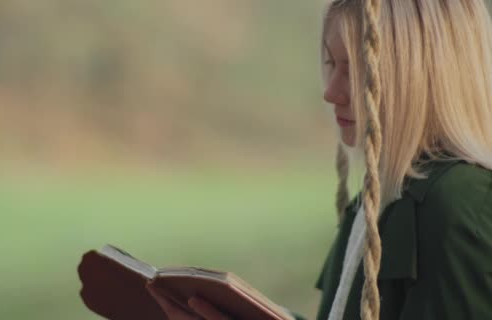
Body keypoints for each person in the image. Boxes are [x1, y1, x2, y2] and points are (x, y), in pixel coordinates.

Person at [146, 0, 492, 319]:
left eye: (355, 68)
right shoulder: (375, 202)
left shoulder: (459, 203)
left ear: (422, 76)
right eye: (331, 64)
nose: (330, 92)